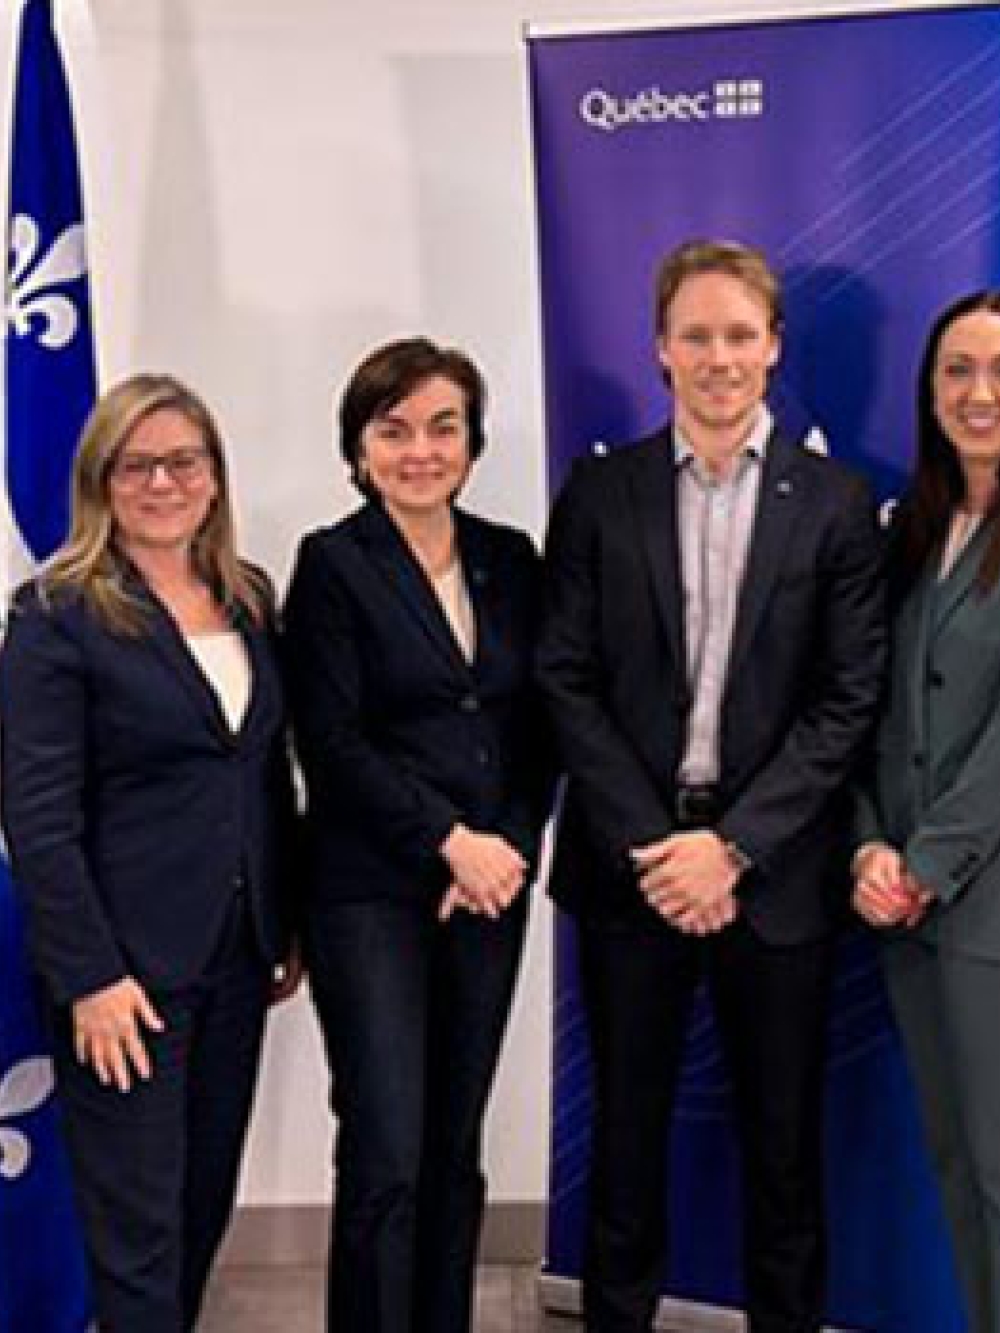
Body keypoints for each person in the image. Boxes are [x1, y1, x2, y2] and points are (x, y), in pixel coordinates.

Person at [536, 239, 886, 1333]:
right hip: (629, 870)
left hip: (772, 880)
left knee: (782, 1150)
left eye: (739, 334)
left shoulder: (836, 503)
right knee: (626, 1144)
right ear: (659, 350)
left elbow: (846, 700)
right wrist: (662, 846)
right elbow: (565, 677)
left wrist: (730, 848)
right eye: (696, 335)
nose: (718, 356)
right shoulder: (600, 491)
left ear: (773, 347)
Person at [0, 374, 299, 1333]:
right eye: (139, 464)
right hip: (125, 978)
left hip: (239, 956)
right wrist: (90, 974)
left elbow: (262, 776)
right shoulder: (57, 611)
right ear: (103, 479)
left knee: (199, 1206)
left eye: (184, 460)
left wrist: (280, 919)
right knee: (138, 1236)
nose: (163, 481)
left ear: (213, 477)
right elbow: (36, 814)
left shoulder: (246, 597)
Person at [282, 337, 551, 1333]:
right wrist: (449, 841)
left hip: (487, 887)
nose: (420, 449)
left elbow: (540, 727)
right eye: (392, 429)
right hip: (368, 891)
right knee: (387, 1145)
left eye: (443, 426)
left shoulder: (510, 556)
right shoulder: (332, 564)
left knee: (454, 1145)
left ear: (472, 442)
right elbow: (333, 742)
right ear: (358, 449)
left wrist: (505, 849)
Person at [852, 290, 1000, 1333]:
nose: (978, 392)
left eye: (997, 369)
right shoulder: (908, 527)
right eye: (955, 368)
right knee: (957, 1161)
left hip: (980, 902)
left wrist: (928, 861)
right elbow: (857, 704)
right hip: (905, 906)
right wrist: (865, 843)